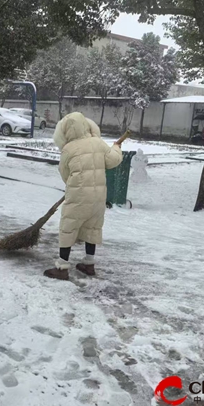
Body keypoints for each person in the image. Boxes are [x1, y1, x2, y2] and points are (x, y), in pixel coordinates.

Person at [44, 112, 123, 280]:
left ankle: (62, 267)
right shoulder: (98, 143)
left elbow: (64, 173)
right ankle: (89, 264)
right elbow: (113, 161)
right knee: (92, 227)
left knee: (68, 227)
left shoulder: (68, 149)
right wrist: (116, 147)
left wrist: (73, 185)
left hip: (78, 197)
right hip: (98, 198)